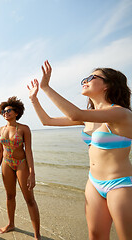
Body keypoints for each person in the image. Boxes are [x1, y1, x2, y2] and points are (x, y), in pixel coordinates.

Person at [27, 60, 132, 239]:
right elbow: (48, 121)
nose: (85, 81)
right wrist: (34, 99)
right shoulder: (89, 116)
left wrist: (46, 87)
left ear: (108, 85)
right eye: (84, 78)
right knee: (95, 236)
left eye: (92, 77)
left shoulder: (121, 113)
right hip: (93, 183)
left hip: (120, 184)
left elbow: (74, 114)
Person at [0, 96, 41, 239]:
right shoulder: (0, 130)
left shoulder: (24, 129)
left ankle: (37, 234)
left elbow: (28, 151)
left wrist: (32, 173)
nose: (5, 113)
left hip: (21, 164)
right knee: (9, 196)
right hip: (6, 163)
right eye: (3, 111)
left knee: (29, 199)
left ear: (16, 112)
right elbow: (1, 151)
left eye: (8, 110)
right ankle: (11, 224)